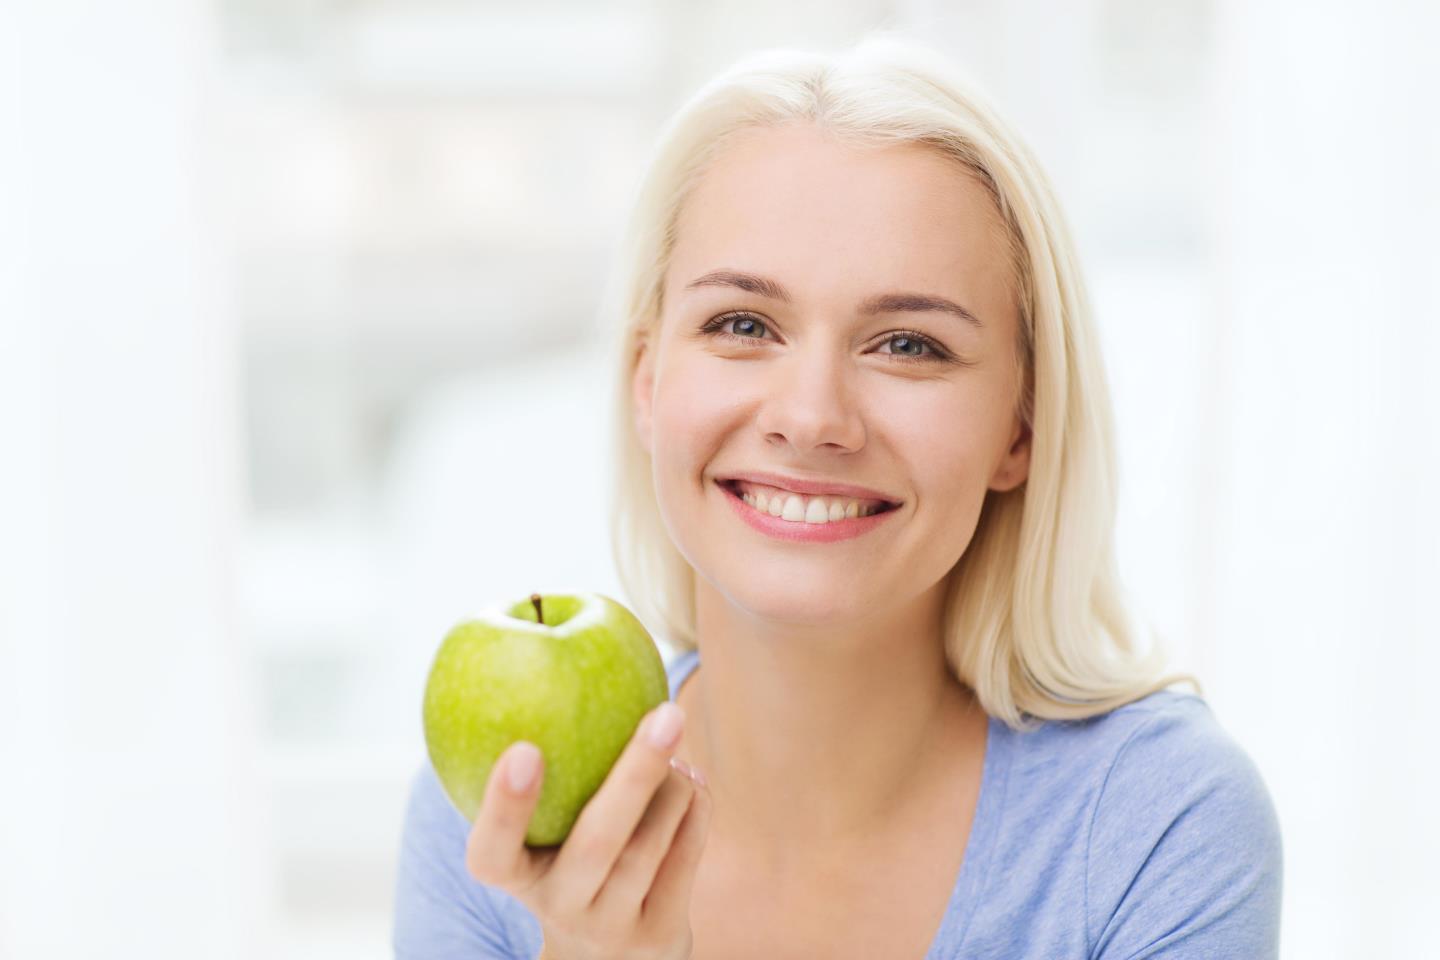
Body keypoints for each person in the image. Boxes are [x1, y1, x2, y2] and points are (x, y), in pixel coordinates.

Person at [393, 33, 1283, 960]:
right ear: (647, 383)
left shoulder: (1156, 827)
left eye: (907, 344)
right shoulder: (506, 806)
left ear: (1020, 429)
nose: (813, 416)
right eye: (743, 324)